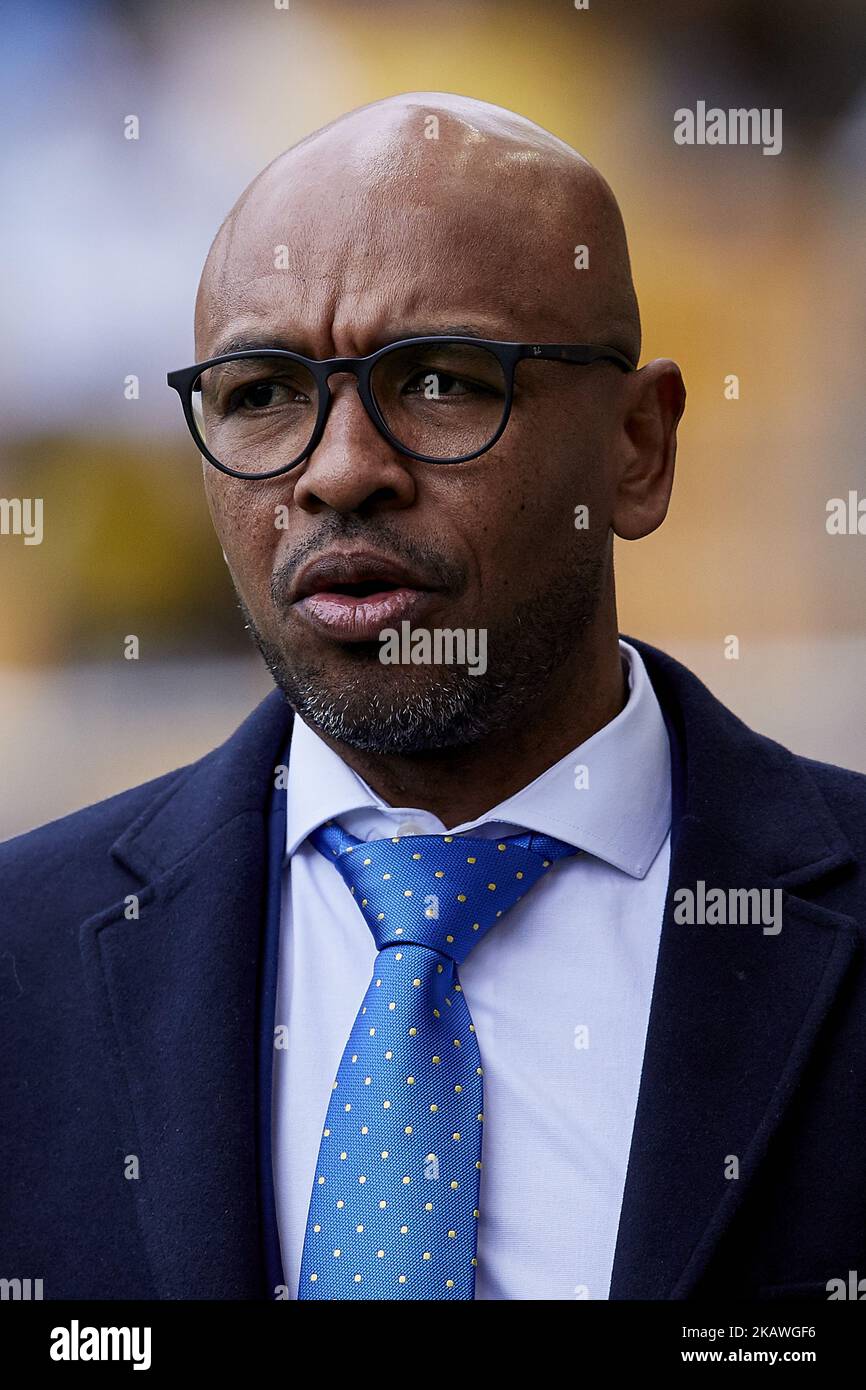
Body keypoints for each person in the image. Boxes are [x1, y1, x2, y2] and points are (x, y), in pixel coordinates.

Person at [2, 93, 864, 1303]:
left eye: (444, 382)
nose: (340, 469)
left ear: (636, 447)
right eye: (259, 395)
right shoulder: (20, 956)